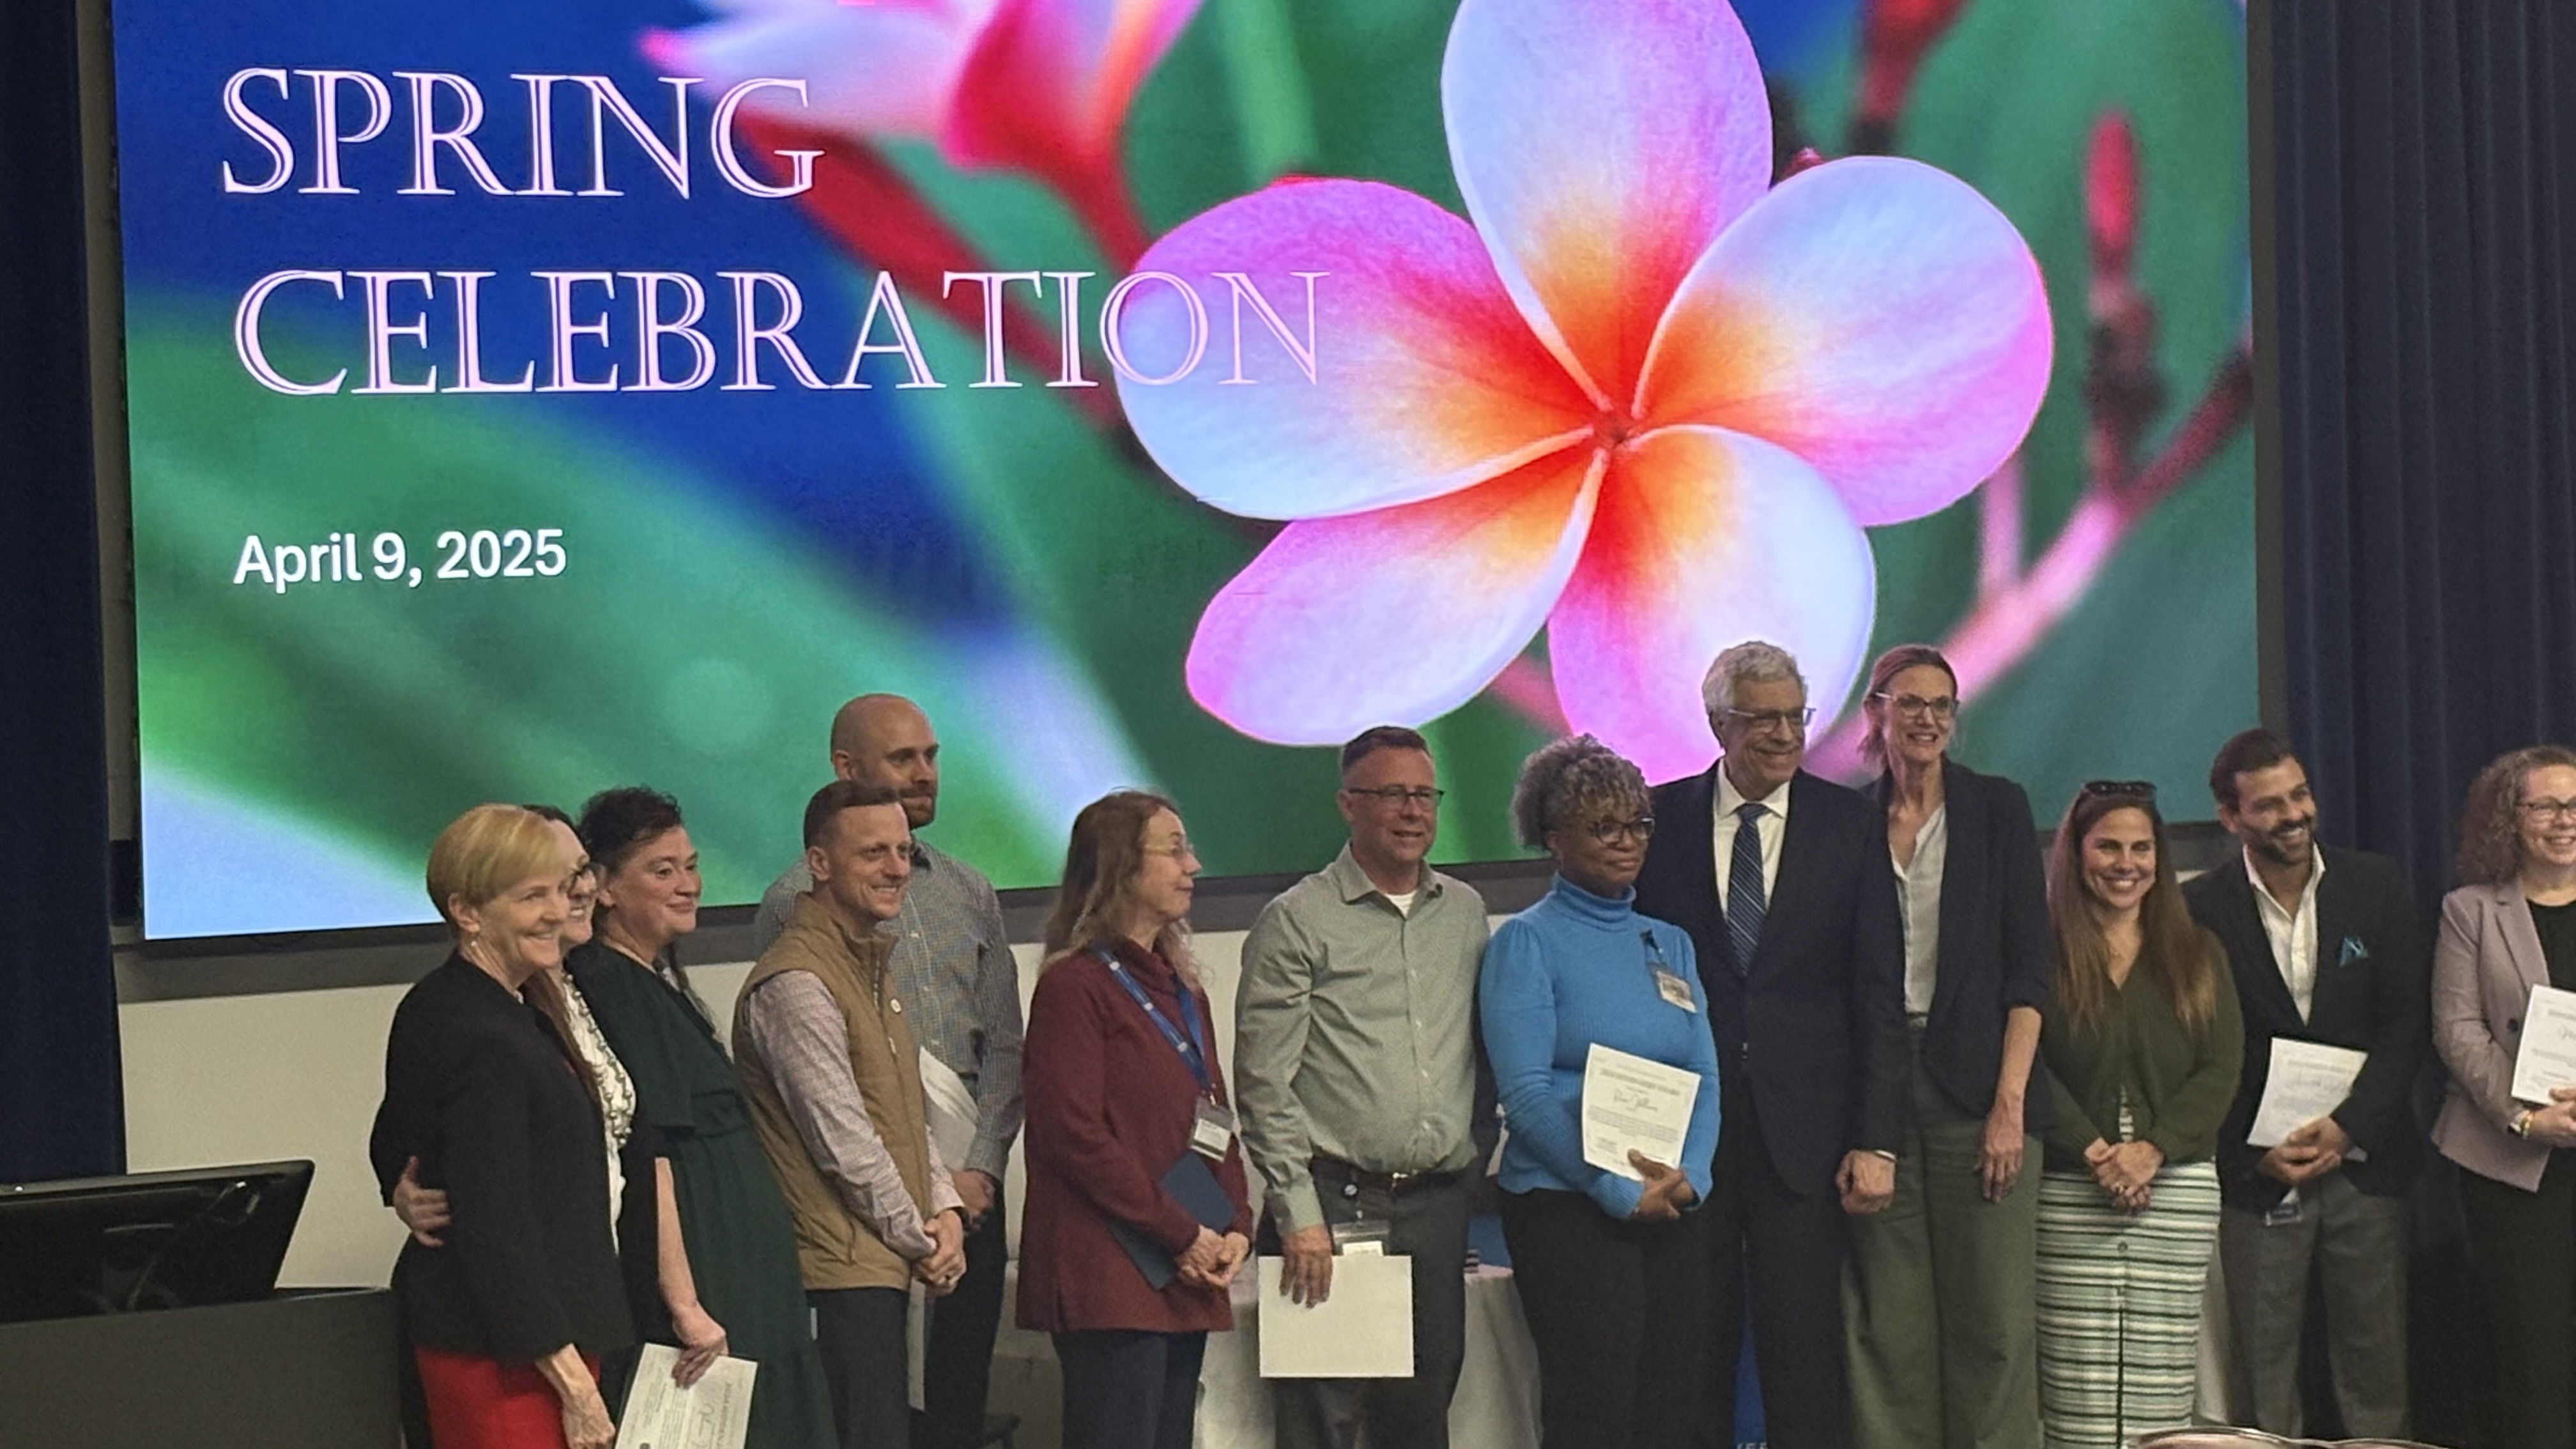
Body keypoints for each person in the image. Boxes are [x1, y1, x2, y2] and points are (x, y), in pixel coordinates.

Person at [1630, 640, 1908, 1449]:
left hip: (1809, 1139)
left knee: (1803, 1353)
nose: (1786, 735)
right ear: (1719, 722)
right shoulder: (1660, 820)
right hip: (1691, 1137)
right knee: (1690, 1353)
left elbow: (1876, 992)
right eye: (1765, 719)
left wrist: (1876, 1138)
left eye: (1796, 716)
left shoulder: (1849, 823)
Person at [381, 808, 721, 1446]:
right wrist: (570, 1380)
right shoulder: (472, 1026)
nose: (557, 910)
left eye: (560, 891)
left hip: (556, 1332)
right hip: (505, 1356)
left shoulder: (515, 1007)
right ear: (468, 911)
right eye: (533, 896)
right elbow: (495, 1224)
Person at [751, 695, 1020, 1449]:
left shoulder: (969, 890)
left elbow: (1004, 1047)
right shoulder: (791, 920)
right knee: (875, 1419)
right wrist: (921, 1218)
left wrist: (975, 1181)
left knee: (957, 1407)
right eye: (905, 759)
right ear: (846, 770)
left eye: (932, 756)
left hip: (964, 1199)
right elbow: (830, 1107)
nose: (926, 773)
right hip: (864, 1226)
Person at [1234, 726, 1492, 1449]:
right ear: (1348, 805)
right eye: (1391, 795)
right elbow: (1264, 1082)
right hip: (1333, 1211)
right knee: (1327, 1425)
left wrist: (1473, 1153)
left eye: (1423, 795)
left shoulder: (1466, 913)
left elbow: (1484, 1051)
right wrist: (1297, 1212)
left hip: (1436, 1210)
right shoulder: (1297, 920)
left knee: (1422, 1419)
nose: (1413, 812)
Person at [566, 786, 836, 1449]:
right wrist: (684, 1302)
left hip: (745, 1269)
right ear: (603, 887)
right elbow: (649, 1152)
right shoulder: (607, 984)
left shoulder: (650, 981)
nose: (688, 884)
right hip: (708, 1269)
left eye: (690, 865)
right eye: (662, 870)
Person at [2184, 729, 2425, 1439]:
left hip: (2365, 1163)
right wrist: (2247, 1152)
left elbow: (2406, 1023)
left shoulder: (2373, 884)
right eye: (2269, 805)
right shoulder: (2199, 910)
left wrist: (2350, 1125)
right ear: (2231, 818)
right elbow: (2199, 1048)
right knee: (2263, 1377)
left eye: (2300, 795)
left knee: (2376, 1368)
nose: (2293, 815)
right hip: (2260, 1172)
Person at [1482, 735, 1720, 1449]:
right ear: (1554, 840)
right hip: (1570, 1209)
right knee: (1596, 1410)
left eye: (1638, 824)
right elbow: (1523, 1095)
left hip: (1671, 1200)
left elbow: (1703, 1076)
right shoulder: (1524, 944)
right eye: (1604, 827)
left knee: (1675, 1405)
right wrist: (1616, 1190)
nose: (1627, 842)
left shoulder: (1668, 943)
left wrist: (1693, 1181)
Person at [1841, 645, 2051, 1449]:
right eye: (1911, 703)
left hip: (1981, 1090)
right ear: (1877, 714)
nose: (1928, 719)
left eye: (1942, 705)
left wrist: (2010, 1107)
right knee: (1889, 1326)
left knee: (1992, 1323)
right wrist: (1862, 1127)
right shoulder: (1847, 823)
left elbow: (2030, 972)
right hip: (1880, 1099)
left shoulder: (1997, 809)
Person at [737, 779, 970, 1449]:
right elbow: (844, 1141)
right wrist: (924, 1238)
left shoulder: (869, 968)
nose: (897, 868)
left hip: (885, 1259)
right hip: (840, 1277)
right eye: (874, 853)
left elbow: (902, 1111)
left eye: (903, 850)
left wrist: (947, 1209)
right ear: (819, 864)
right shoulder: (797, 983)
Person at [1017, 791, 1253, 1449]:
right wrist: (1182, 1233)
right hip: (1113, 1273)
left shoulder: (1184, 988)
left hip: (1184, 1269)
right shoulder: (1075, 988)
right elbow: (1074, 1137)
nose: (1194, 865)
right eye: (1174, 849)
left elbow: (1213, 1115)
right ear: (1122, 866)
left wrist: (1235, 1223)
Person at [2033, 781, 2242, 1449]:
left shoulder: (2199, 952)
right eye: (2109, 847)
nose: (2126, 864)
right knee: (2075, 1385)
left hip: (2175, 1192)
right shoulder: (2041, 950)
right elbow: (2024, 1065)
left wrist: (2151, 1151)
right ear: (2076, 853)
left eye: (2142, 848)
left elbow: (2221, 1071)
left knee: (2163, 1383)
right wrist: (2097, 1153)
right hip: (2068, 1190)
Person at [2430, 744, 2576, 1449]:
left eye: (2574, 805)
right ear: (2509, 818)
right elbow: (2457, 1030)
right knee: (2534, 1354)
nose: (2563, 820)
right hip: (2513, 1165)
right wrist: (2526, 1118)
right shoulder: (2472, 913)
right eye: (2545, 805)